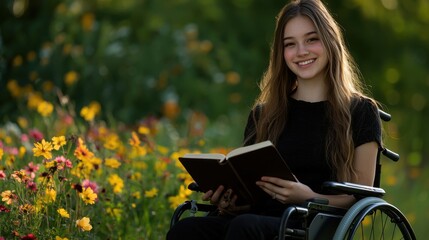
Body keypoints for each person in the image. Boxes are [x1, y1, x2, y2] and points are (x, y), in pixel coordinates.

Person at [167, 0, 381, 239]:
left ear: (330, 41)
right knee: (186, 230)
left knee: (245, 227)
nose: (301, 51)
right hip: (253, 218)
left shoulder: (361, 111)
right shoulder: (264, 113)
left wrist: (307, 197)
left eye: (312, 39)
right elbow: (249, 188)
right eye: (290, 44)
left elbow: (360, 197)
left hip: (309, 227)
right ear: (281, 52)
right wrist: (231, 201)